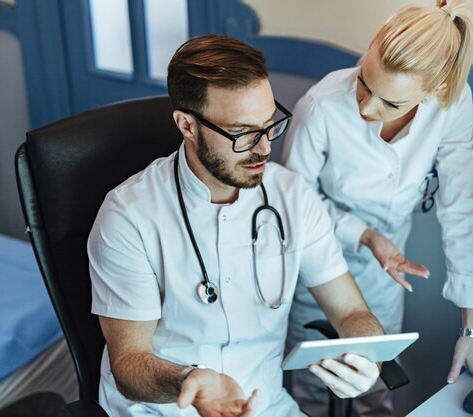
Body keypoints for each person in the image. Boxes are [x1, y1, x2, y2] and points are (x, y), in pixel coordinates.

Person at [87, 34, 385, 417]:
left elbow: (350, 312)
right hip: (165, 409)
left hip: (267, 406)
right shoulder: (129, 216)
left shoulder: (293, 197)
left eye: (268, 125)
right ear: (187, 125)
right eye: (242, 133)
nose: (263, 148)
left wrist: (366, 355)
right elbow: (128, 363)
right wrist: (188, 382)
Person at [282, 1, 473, 415]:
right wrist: (364, 234)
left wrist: (472, 326)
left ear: (434, 92)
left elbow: (461, 205)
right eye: (364, 81)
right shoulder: (320, 106)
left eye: (390, 104)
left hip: (387, 274)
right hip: (317, 264)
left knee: (374, 392)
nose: (365, 108)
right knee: (312, 394)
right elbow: (293, 204)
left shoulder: (451, 105)